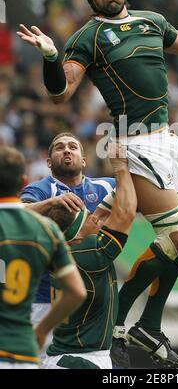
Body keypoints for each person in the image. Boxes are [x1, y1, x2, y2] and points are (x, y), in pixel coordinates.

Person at [17, 0, 178, 367]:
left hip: (168, 140)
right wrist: (50, 56)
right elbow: (60, 92)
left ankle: (145, 322)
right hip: (132, 142)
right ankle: (125, 323)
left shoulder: (152, 21)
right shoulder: (88, 37)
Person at [41, 143, 137, 369]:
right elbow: (126, 213)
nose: (95, 217)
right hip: (81, 360)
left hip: (68, 356)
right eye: (87, 215)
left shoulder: (66, 251)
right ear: (77, 228)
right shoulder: (89, 252)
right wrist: (120, 166)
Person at [20, 132, 115, 358]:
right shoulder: (41, 189)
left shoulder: (105, 186)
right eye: (59, 147)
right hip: (44, 300)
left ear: (84, 160)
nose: (67, 150)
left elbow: (142, 193)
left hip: (92, 306)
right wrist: (53, 202)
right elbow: (18, 213)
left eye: (73, 147)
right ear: (49, 162)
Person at [0, 146, 86, 369]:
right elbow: (76, 292)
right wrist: (41, 331)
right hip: (22, 351)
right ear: (23, 183)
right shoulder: (47, 230)